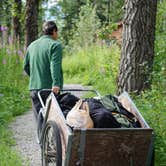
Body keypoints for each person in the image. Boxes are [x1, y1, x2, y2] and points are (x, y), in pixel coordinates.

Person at [23, 21, 63, 120]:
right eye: (56, 32)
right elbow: (55, 66)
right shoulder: (55, 45)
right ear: (54, 31)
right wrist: (56, 83)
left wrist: (35, 77)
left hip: (34, 88)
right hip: (49, 89)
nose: (57, 35)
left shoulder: (32, 45)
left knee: (40, 121)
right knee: (54, 121)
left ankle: (41, 136)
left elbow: (25, 66)